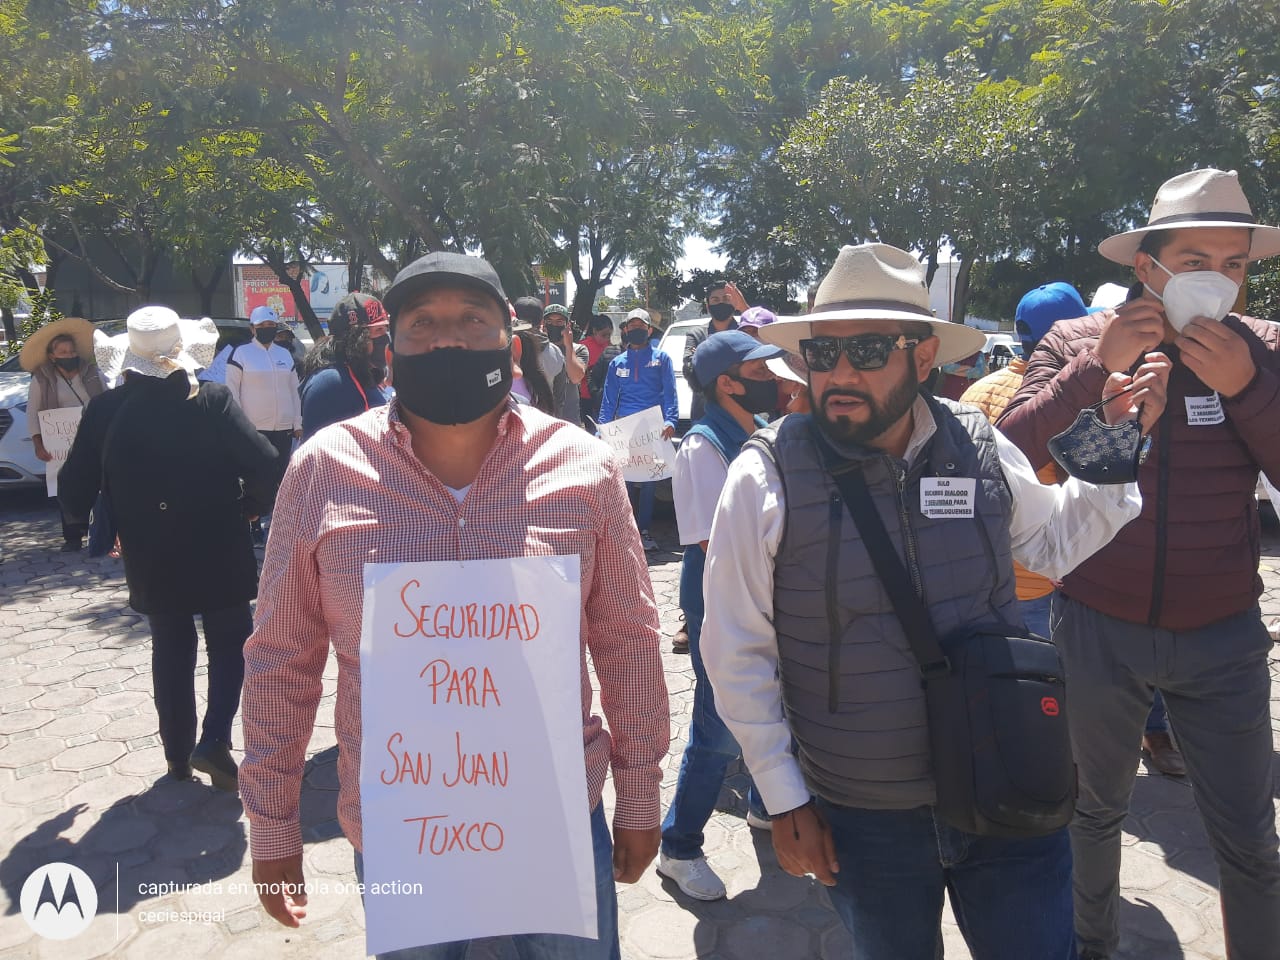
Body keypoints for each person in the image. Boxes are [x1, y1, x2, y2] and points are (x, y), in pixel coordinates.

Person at [700, 243, 1171, 960]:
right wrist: (784, 795)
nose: (841, 373)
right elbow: (735, 648)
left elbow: (1052, 543)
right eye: (822, 354)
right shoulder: (763, 476)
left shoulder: (978, 443)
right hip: (863, 814)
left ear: (923, 357)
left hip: (1004, 779)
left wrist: (1118, 439)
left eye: (866, 349)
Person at [239, 251, 669, 959]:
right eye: (423, 323)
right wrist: (274, 825)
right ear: (391, 346)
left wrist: (641, 795)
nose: (448, 340)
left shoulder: (585, 468)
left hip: (557, 819)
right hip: (402, 829)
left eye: (472, 320)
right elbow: (282, 656)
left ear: (512, 341)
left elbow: (627, 639)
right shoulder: (321, 470)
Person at [996, 167, 1280, 960]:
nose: (1217, 283)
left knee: (1251, 838)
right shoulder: (1077, 342)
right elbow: (1003, 457)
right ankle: (1094, 945)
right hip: (1095, 624)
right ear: (1146, 267)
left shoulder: (1268, 349)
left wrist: (1248, 387)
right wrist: (1097, 373)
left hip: (1222, 636)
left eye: (1234, 265)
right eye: (1195, 260)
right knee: (1092, 810)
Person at [965, 283, 1186, 778]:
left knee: (1019, 684)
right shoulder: (1087, 393)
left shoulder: (978, 394)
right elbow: (1067, 513)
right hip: (1064, 576)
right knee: (1074, 685)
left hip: (1000, 578)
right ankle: (1117, 746)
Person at [58, 306, 278, 789]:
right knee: (228, 643)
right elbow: (266, 466)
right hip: (219, 541)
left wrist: (96, 515)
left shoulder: (105, 410)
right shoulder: (213, 400)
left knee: (171, 647)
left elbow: (73, 491)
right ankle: (215, 737)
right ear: (182, 349)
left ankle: (176, 757)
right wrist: (248, 508)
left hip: (150, 550)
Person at [658, 330, 783, 901]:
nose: (772, 378)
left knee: (769, 704)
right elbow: (715, 543)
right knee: (716, 731)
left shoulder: (757, 433)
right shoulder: (703, 446)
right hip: (719, 603)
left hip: (759, 596)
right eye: (757, 371)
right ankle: (678, 848)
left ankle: (765, 807)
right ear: (725, 384)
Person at [20, 317, 108, 552]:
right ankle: (73, 536)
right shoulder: (42, 378)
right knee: (68, 485)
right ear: (52, 356)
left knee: (101, 482)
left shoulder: (92, 372)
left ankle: (103, 531)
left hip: (95, 436)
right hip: (61, 442)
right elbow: (32, 412)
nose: (68, 355)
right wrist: (38, 443)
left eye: (71, 351)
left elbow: (107, 399)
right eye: (62, 352)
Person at [597, 307, 678, 552]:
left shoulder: (661, 359)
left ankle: (644, 530)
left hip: (651, 428)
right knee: (626, 482)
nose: (636, 331)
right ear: (625, 331)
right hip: (624, 429)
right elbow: (609, 398)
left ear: (649, 330)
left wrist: (670, 420)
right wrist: (603, 427)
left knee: (650, 483)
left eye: (640, 327)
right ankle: (626, 530)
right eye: (631, 328)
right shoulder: (616, 363)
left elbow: (669, 392)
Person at [226, 305, 303, 536]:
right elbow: (232, 391)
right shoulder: (241, 354)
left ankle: (278, 525)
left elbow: (294, 390)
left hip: (283, 427)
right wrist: (239, 426)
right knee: (256, 476)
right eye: (262, 327)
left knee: (281, 476)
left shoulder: (284, 354)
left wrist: (297, 422)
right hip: (255, 428)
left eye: (271, 326)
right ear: (253, 329)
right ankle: (253, 523)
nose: (267, 330)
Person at [299, 292, 390, 440]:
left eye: (385, 329)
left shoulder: (363, 373)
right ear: (356, 337)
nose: (385, 337)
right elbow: (321, 454)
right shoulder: (331, 382)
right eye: (378, 330)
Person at [683, 281, 747, 420]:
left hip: (740, 412)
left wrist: (743, 307)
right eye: (715, 300)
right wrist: (733, 365)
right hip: (704, 414)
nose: (721, 303)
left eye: (726, 299)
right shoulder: (696, 334)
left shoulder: (745, 332)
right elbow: (690, 370)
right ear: (708, 305)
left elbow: (754, 364)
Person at [543, 302, 589, 425]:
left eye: (559, 322)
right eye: (550, 321)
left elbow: (576, 378)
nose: (554, 325)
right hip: (543, 419)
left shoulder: (579, 349)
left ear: (567, 325)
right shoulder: (537, 349)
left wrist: (568, 346)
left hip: (569, 419)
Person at [578, 314, 615, 422]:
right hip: (587, 396)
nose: (607, 338)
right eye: (604, 335)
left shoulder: (609, 346)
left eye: (609, 335)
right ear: (594, 331)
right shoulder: (583, 346)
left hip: (605, 396)